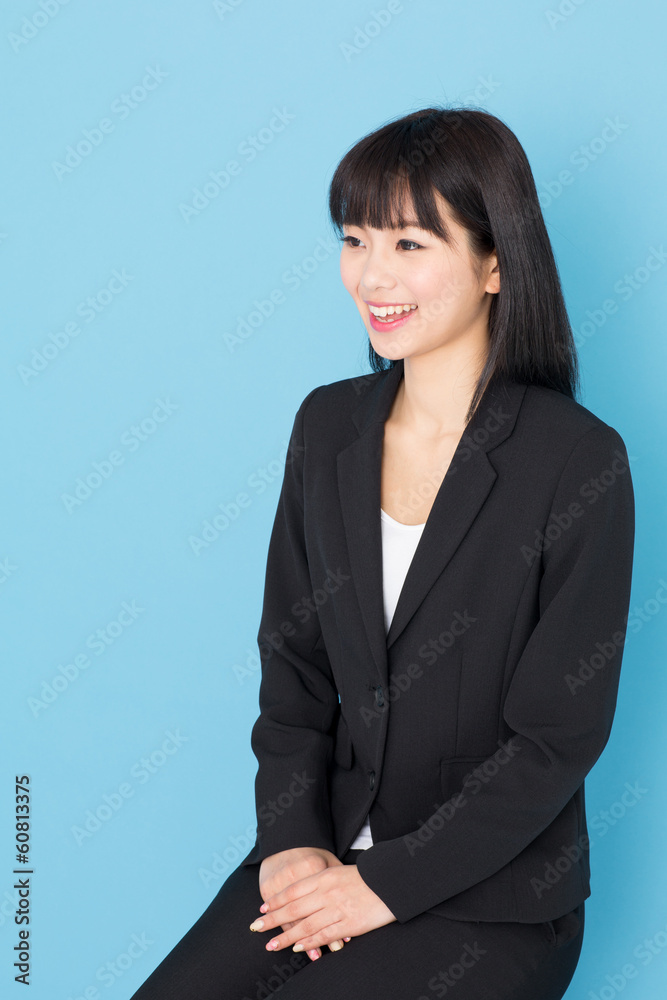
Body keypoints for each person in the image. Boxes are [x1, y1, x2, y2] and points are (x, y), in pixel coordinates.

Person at [129, 106, 635, 999]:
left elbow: (554, 741)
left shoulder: (576, 461)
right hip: (322, 850)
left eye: (408, 244)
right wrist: (289, 840)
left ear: (493, 263)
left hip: (494, 897)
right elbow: (291, 663)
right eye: (354, 239)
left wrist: (380, 888)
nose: (370, 275)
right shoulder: (326, 428)